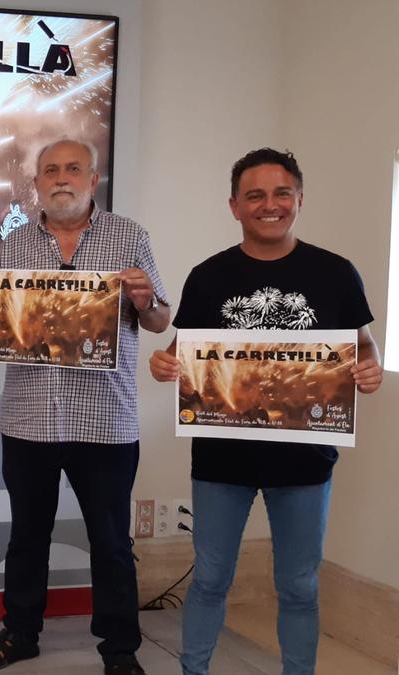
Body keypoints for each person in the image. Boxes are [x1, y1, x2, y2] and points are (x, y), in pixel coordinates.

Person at [148, 148, 383, 675]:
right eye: (255, 195)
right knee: (209, 579)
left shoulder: (336, 273)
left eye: (281, 193)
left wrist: (370, 368)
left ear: (299, 199)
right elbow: (181, 353)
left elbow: (364, 348)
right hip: (220, 459)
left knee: (298, 586)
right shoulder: (207, 276)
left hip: (305, 459)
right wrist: (164, 365)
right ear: (234, 206)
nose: (269, 205)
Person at [0, 138, 170, 675]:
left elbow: (161, 320)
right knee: (27, 535)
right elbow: (8, 328)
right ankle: (21, 632)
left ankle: (120, 650)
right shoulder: (17, 245)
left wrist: (145, 301)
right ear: (36, 185)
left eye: (73, 168)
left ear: (92, 180)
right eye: (50, 170)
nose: (61, 177)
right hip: (30, 417)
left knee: (111, 541)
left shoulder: (130, 236)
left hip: (106, 419)